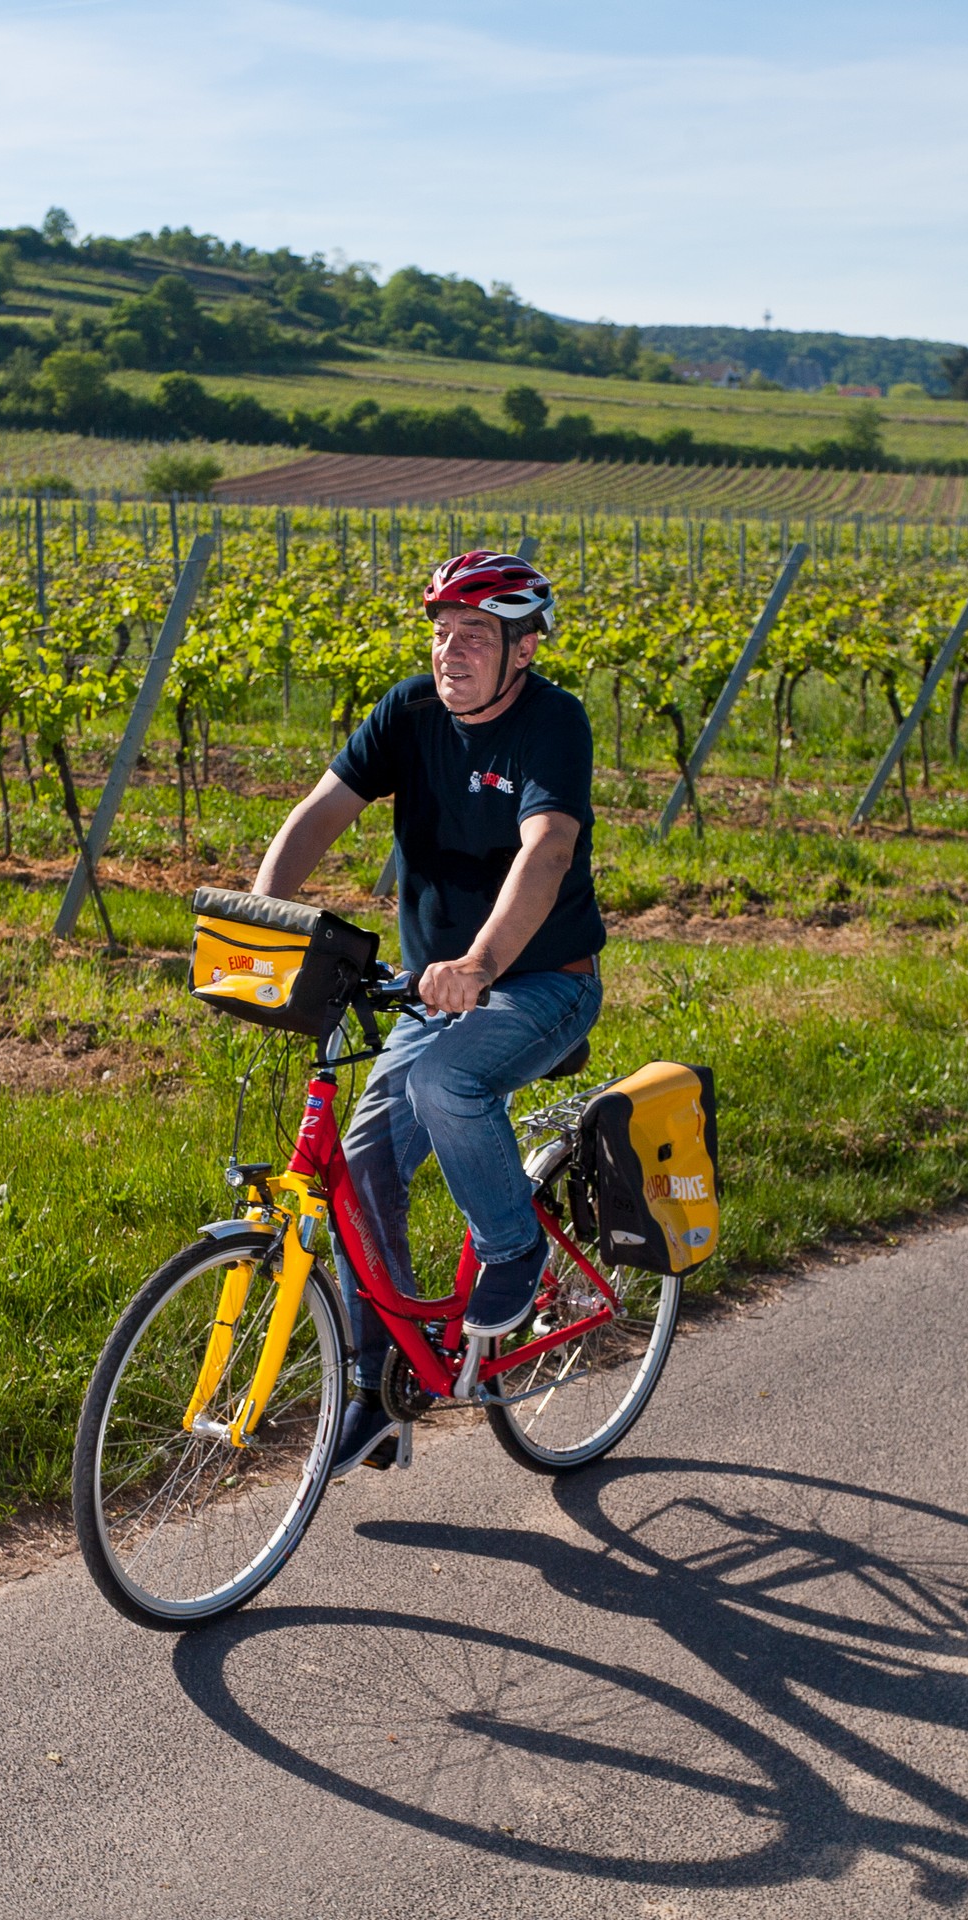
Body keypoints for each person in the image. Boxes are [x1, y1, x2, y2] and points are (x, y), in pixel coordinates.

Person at [251, 551, 606, 1476]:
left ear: (523, 650)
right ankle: (378, 1389)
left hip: (543, 984)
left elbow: (549, 848)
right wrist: (261, 918)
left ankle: (515, 1248)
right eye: (443, 633)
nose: (451, 652)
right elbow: (322, 811)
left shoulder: (553, 723)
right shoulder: (409, 712)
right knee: (360, 1162)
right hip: (434, 986)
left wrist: (483, 963)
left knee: (452, 1082)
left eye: (477, 636)